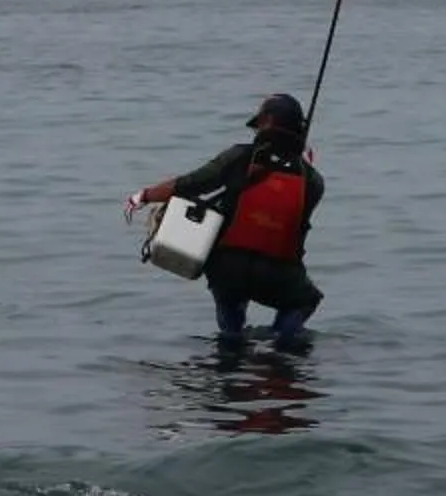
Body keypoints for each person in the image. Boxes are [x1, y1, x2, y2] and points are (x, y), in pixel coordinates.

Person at [127, 92, 326, 353]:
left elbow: (189, 184)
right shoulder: (312, 181)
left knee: (230, 303)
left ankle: (231, 341)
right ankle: (283, 345)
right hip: (278, 273)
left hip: (227, 269)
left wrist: (143, 196)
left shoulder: (238, 157)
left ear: (266, 121)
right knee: (306, 300)